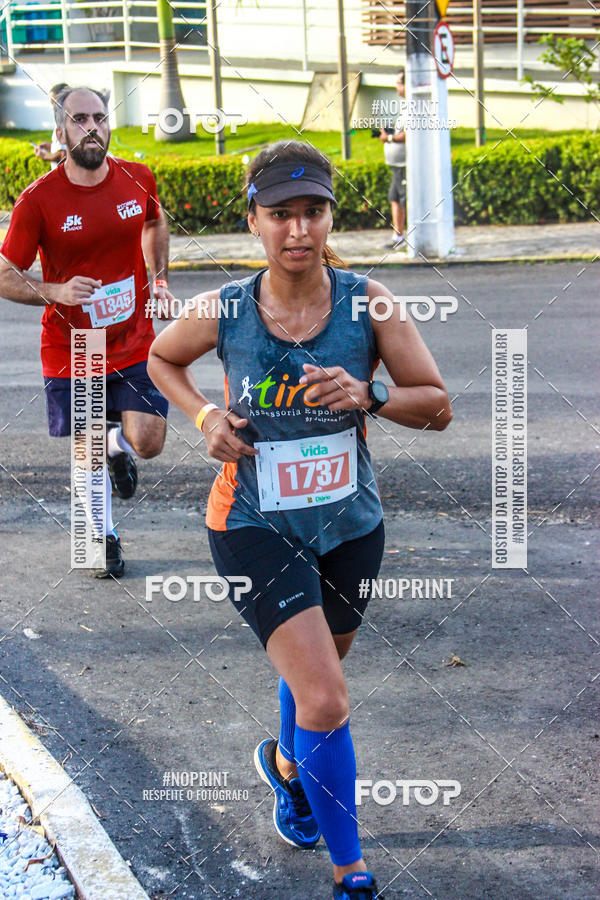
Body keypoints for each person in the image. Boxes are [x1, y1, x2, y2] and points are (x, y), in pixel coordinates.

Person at [147, 140, 452, 899]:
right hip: (253, 524)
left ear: (328, 217)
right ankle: (353, 873)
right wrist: (204, 417)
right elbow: (160, 359)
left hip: (350, 525)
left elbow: (438, 406)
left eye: (312, 212)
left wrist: (368, 395)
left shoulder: (366, 301)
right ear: (254, 221)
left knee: (320, 675)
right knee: (324, 698)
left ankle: (285, 766)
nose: (297, 231)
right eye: (280, 214)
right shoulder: (224, 308)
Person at [0, 86, 173, 578]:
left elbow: (155, 223)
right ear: (61, 131)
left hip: (135, 334)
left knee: (149, 440)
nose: (92, 126)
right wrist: (53, 291)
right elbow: (4, 273)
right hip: (76, 343)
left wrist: (158, 278)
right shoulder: (39, 200)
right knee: (88, 443)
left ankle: (121, 451)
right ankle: (101, 536)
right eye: (79, 118)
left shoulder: (137, 178)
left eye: (99, 116)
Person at [380, 69, 407, 250]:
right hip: (397, 165)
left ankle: (408, 238)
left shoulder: (414, 106)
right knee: (395, 198)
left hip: (406, 164)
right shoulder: (406, 106)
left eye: (398, 82)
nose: (396, 86)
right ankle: (398, 236)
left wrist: (388, 138)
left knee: (405, 200)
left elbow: (409, 134)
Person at [32, 82, 68, 169]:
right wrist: (51, 147)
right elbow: (64, 147)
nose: (53, 107)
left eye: (54, 103)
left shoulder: (67, 121)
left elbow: (64, 154)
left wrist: (44, 156)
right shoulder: (62, 118)